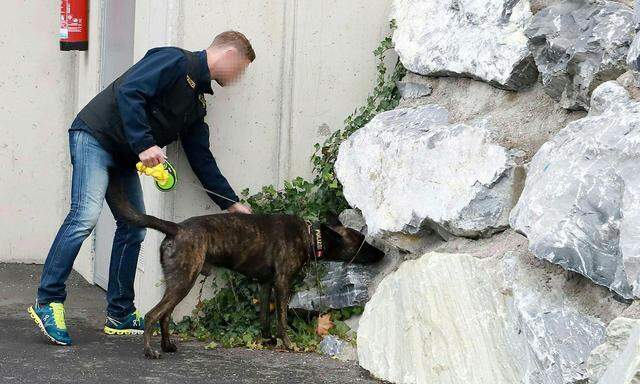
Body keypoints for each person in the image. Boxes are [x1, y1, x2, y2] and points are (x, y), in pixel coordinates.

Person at [27, 31, 255, 345]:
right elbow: (130, 91)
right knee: (85, 217)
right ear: (228, 53)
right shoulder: (175, 60)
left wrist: (230, 203)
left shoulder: (196, 104)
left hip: (123, 155)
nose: (239, 76)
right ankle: (47, 300)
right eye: (240, 68)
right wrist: (145, 143)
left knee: (134, 227)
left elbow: (200, 156)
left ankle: (119, 314)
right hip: (95, 136)